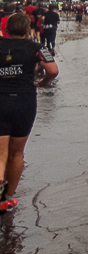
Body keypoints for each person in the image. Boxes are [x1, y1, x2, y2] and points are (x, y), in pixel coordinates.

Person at [0, 13, 58, 215]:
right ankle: (7, 198)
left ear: (6, 29)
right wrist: (43, 83)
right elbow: (52, 69)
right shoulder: (36, 48)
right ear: (27, 30)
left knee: (0, 153)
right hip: (24, 101)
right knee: (16, 153)